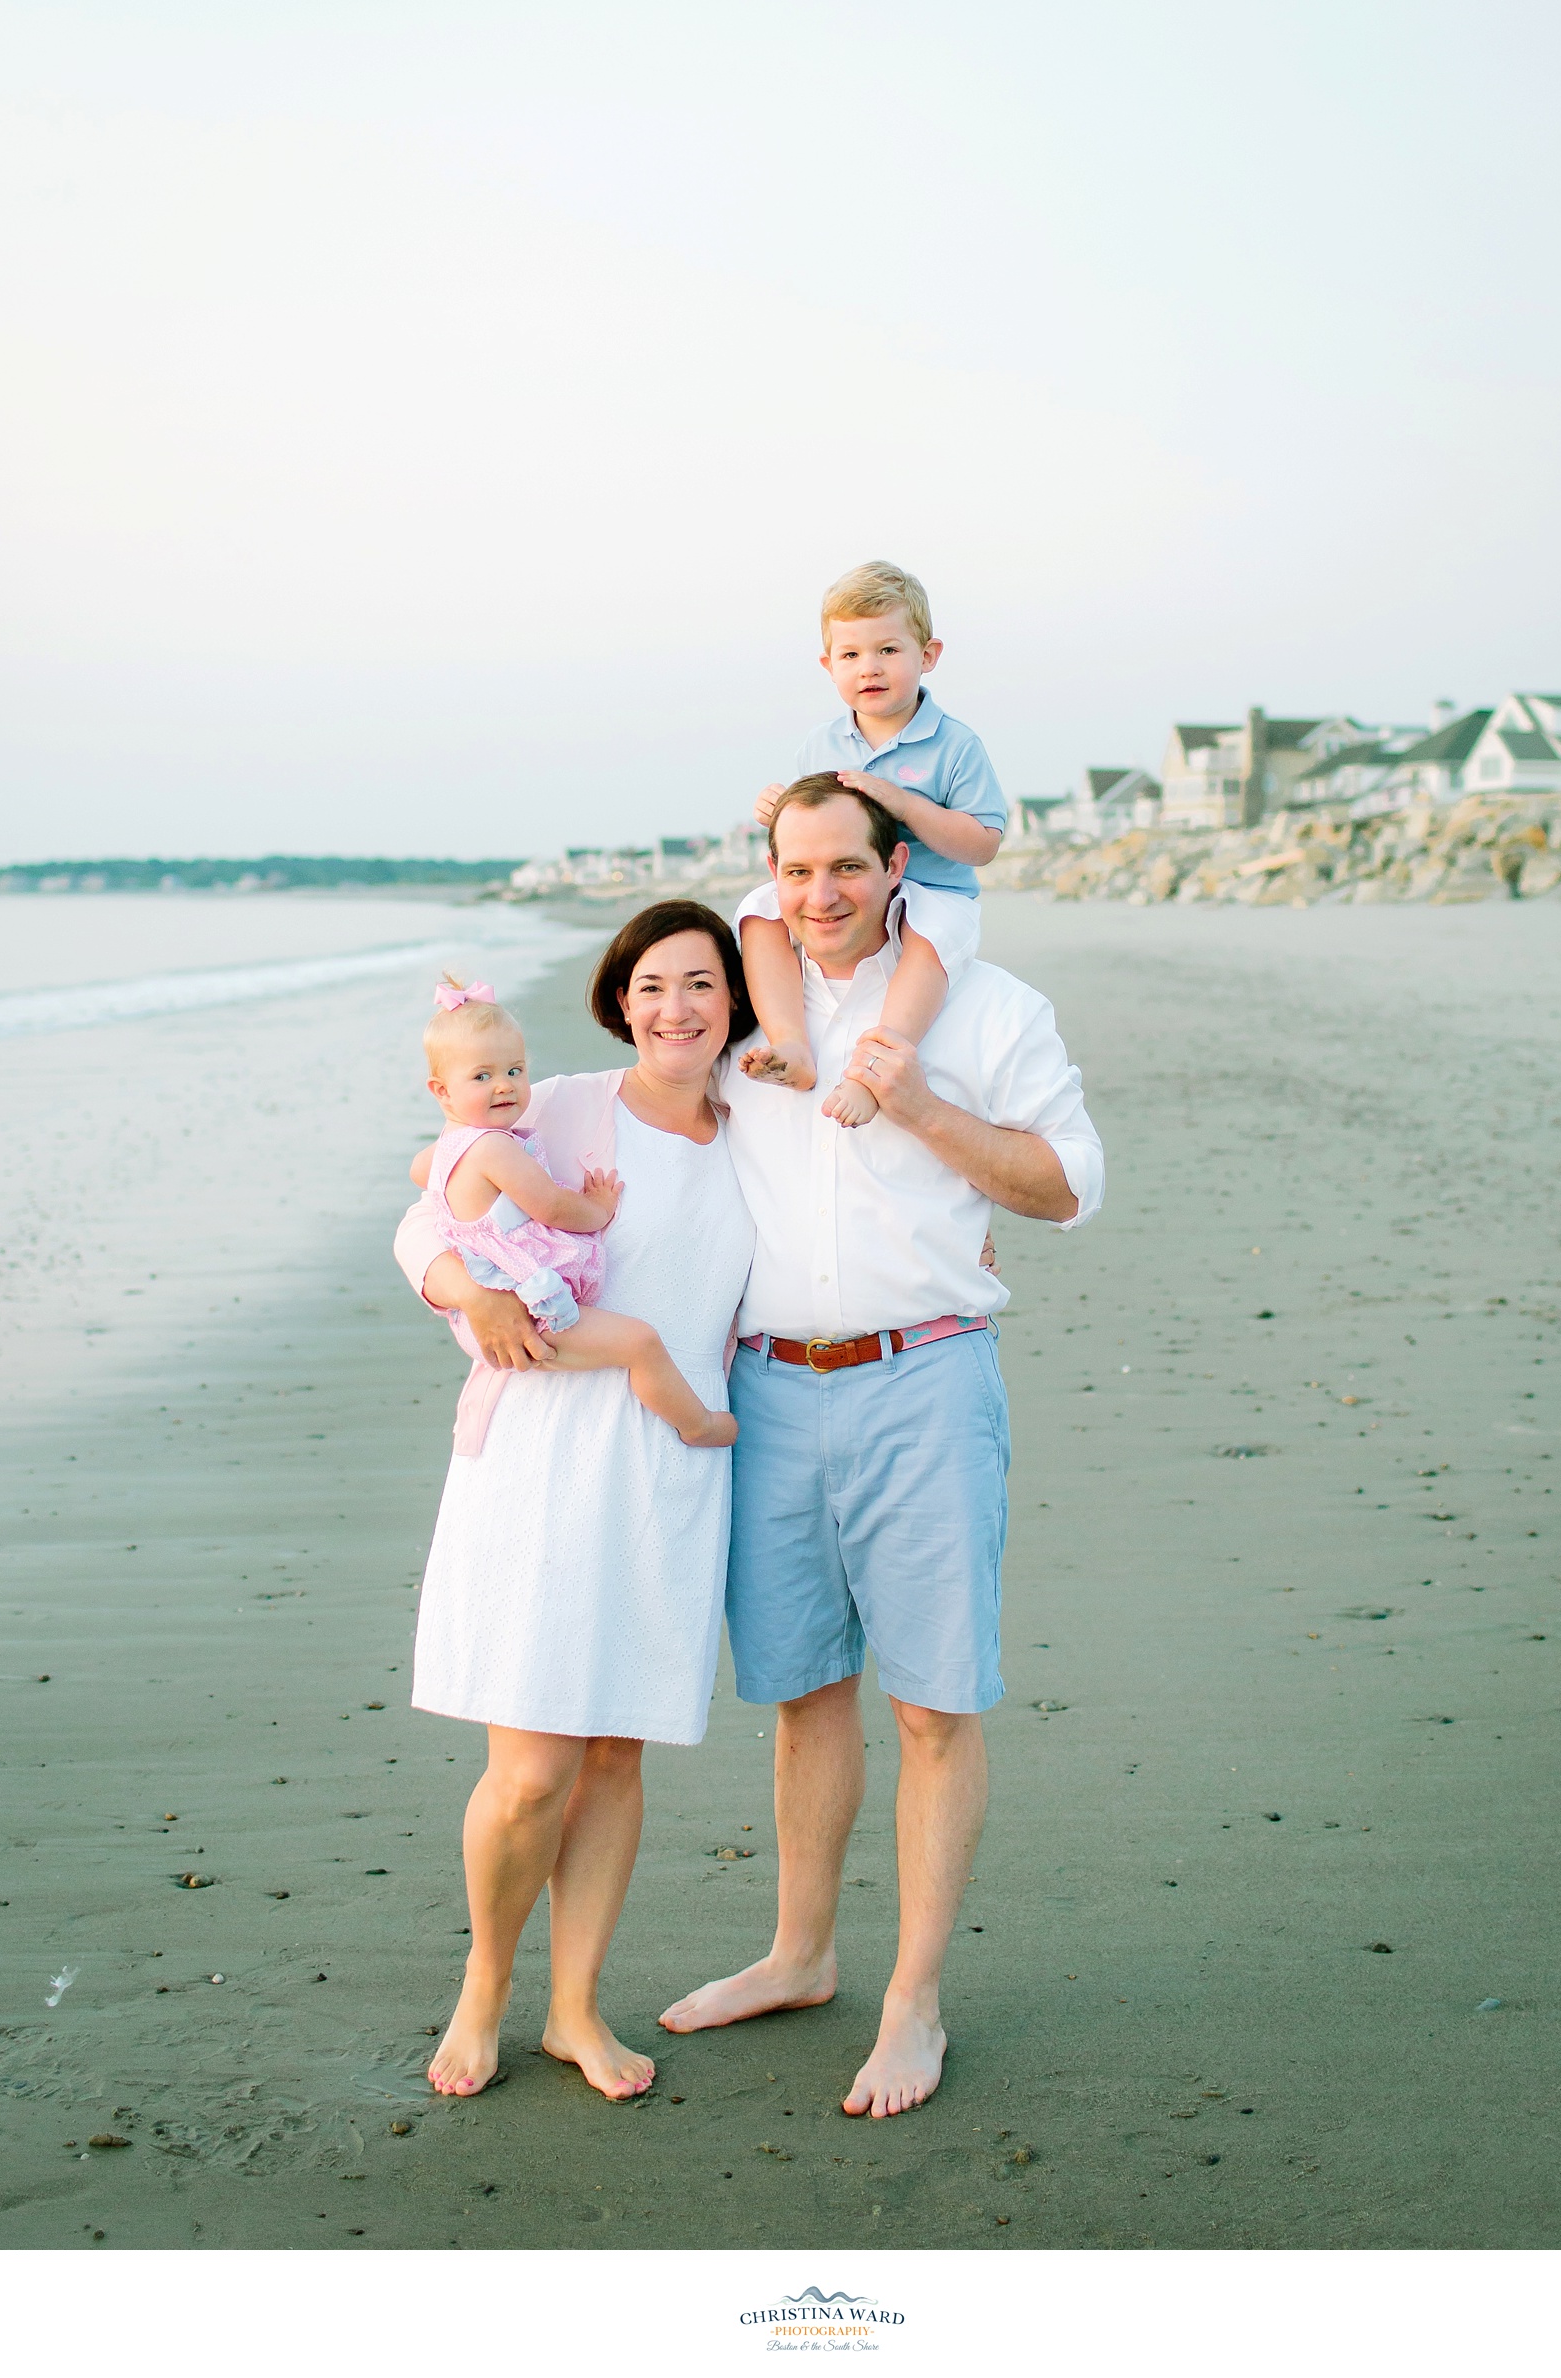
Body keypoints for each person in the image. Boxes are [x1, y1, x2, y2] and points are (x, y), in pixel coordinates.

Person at [658, 775, 1103, 2118]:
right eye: (796, 874)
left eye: (846, 867)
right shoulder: (742, 1017)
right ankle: (800, 1952)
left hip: (926, 1378)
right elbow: (610, 1096)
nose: (822, 896)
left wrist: (913, 1104)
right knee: (802, 1692)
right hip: (770, 1390)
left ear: (894, 861)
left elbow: (1069, 1187)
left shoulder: (986, 1005)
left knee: (932, 1701)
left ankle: (913, 1998)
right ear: (770, 878)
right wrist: (447, 1208)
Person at [393, 906, 756, 2102]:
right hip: (545, 1458)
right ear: (619, 998)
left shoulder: (762, 1126)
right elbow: (426, 1206)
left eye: (702, 984)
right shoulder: (559, 1104)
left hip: (670, 1474)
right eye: (652, 984)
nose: (676, 1008)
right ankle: (483, 1989)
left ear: (737, 1000)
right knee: (532, 1767)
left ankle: (575, 2009)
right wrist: (463, 1290)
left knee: (612, 1756)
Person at [737, 560, 1007, 1126]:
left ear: (927, 656)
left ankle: (874, 1070)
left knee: (929, 936)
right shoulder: (822, 742)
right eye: (852, 655)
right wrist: (778, 807)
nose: (870, 668)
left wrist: (906, 804)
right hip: (857, 889)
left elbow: (983, 842)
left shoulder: (954, 744)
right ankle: (791, 1043)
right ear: (828, 665)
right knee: (759, 908)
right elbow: (808, 819)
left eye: (889, 650)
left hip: (934, 889)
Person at [414, 974, 735, 1447]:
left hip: (506, 1305)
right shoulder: (495, 1150)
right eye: (482, 1077)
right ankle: (698, 1424)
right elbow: (552, 1205)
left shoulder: (451, 1149)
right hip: (526, 1308)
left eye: (515, 1071)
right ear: (441, 1091)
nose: (504, 1087)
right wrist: (598, 1209)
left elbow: (424, 1173)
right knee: (639, 1344)